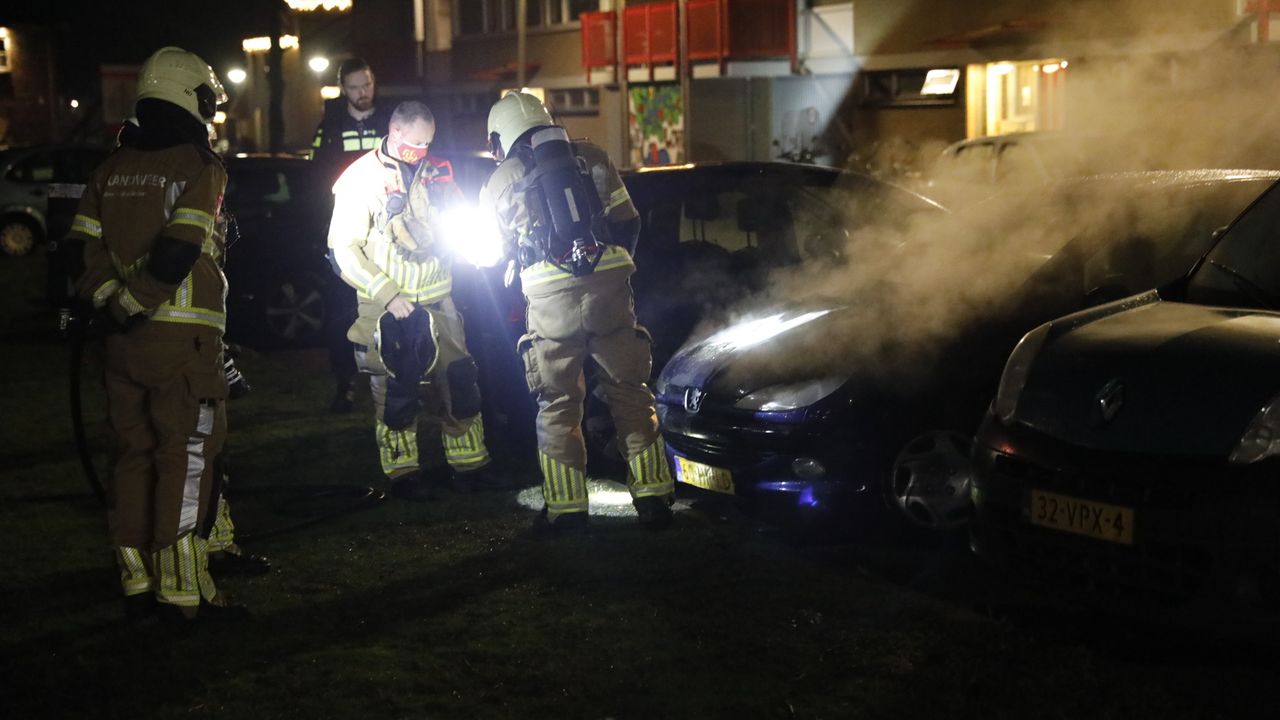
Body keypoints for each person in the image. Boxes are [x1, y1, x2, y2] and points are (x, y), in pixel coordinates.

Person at [64, 47, 245, 624]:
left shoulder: (111, 168)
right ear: (190, 97)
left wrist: (109, 302)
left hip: (121, 344)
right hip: (182, 348)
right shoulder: (199, 165)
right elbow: (180, 248)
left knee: (133, 455)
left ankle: (136, 579)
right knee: (187, 461)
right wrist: (137, 301)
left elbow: (77, 249)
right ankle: (185, 593)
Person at [476, 92, 674, 531]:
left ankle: (567, 511)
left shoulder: (502, 178)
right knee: (630, 393)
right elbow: (629, 220)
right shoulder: (593, 154)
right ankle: (655, 498)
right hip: (609, 289)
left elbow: (487, 255)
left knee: (558, 404)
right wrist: (610, 268)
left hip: (550, 301)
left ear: (501, 135)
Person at [327, 100, 498, 499]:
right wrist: (387, 295)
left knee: (459, 384)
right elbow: (342, 250)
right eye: (415, 142)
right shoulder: (360, 179)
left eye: (428, 143)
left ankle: (470, 466)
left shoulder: (436, 173)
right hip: (388, 307)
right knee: (396, 394)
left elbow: (460, 220)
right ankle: (403, 475)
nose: (420, 151)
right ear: (394, 130)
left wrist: (478, 250)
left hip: (440, 301)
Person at [310, 58, 392, 413]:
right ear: (344, 88)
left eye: (368, 84)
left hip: (387, 236)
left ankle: (397, 377)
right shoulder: (330, 126)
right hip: (346, 235)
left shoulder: (391, 122)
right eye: (356, 86)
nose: (364, 93)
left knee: (393, 306)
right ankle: (345, 382)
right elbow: (316, 178)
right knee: (343, 313)